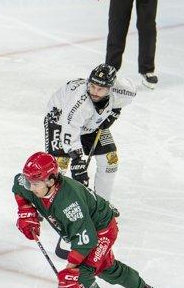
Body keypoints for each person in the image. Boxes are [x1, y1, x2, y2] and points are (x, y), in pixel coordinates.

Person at [13, 152, 172, 288]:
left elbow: (85, 241)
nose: (30, 187)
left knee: (81, 274)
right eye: (29, 182)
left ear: (51, 180)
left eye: (35, 183)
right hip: (86, 231)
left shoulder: (69, 203)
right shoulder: (33, 184)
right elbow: (18, 184)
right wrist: (25, 210)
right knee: (106, 268)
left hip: (101, 232)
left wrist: (69, 271)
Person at [44, 64, 135, 201]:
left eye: (100, 89)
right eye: (92, 86)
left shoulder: (121, 90)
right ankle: (48, 204)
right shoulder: (79, 102)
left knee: (110, 160)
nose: (94, 92)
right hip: (61, 121)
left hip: (91, 123)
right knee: (59, 164)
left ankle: (102, 204)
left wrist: (115, 110)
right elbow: (70, 131)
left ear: (110, 88)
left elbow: (131, 93)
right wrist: (77, 159)